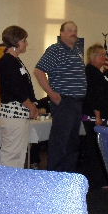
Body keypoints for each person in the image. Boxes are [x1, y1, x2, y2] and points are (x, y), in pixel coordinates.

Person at [35, 21, 86, 172]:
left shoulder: (77, 51)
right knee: (60, 142)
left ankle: (68, 176)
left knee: (72, 142)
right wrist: (52, 94)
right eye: (69, 30)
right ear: (61, 33)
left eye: (75, 30)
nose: (73, 32)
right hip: (64, 102)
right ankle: (55, 177)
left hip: (76, 103)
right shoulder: (55, 49)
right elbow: (39, 71)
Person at [0, 26, 38, 168]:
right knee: (11, 155)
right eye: (24, 40)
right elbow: (14, 88)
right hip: (13, 114)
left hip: (19, 114)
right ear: (16, 42)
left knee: (18, 155)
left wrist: (33, 103)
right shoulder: (7, 61)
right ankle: (5, 187)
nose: (26, 43)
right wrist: (30, 104)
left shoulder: (16, 61)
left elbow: (23, 86)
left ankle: (14, 186)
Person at [82, 44, 108, 188]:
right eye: (102, 55)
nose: (105, 58)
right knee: (95, 149)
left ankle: (99, 179)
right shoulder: (90, 72)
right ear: (94, 56)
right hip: (94, 117)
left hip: (99, 116)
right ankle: (97, 181)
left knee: (98, 148)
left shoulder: (98, 72)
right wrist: (98, 115)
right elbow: (93, 96)